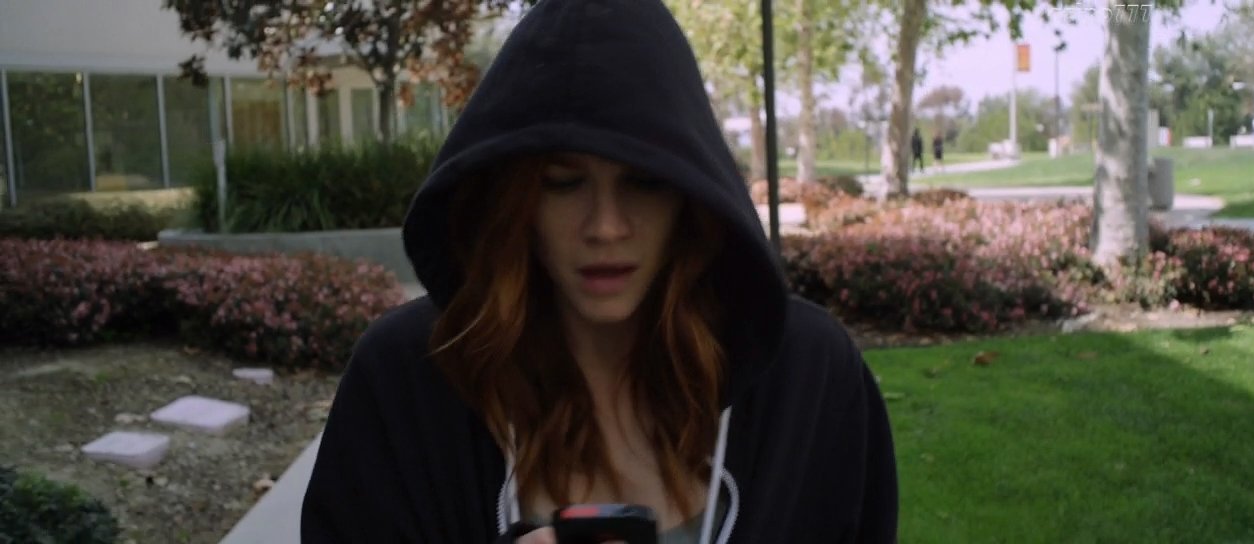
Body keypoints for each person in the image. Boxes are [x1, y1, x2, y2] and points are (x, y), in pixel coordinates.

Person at [300, 1, 898, 543]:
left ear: (691, 196)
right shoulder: (407, 382)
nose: (606, 227)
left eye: (645, 181)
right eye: (563, 183)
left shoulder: (809, 382)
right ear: (513, 199)